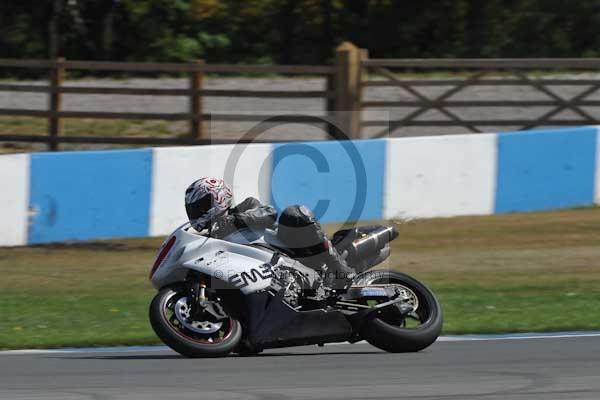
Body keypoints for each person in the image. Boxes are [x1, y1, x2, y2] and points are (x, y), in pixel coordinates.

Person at [184, 177, 355, 286]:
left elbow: (269, 213)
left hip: (291, 251)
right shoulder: (212, 236)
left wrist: (234, 220)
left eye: (201, 206)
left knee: (294, 213)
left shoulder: (246, 206)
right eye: (194, 209)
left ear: (219, 198)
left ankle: (340, 269)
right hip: (264, 274)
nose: (198, 212)